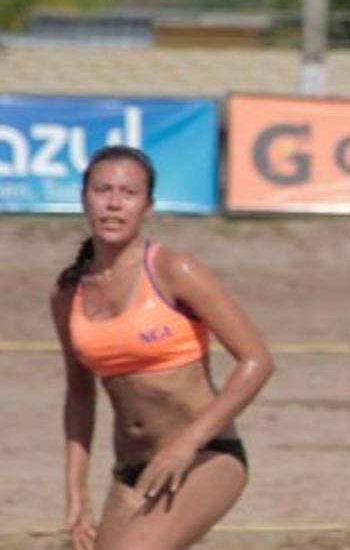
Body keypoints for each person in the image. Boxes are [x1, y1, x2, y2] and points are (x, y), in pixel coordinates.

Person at [50, 145, 275, 550]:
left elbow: (257, 361)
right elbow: (80, 396)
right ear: (83, 197)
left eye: (129, 193)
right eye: (103, 190)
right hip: (132, 470)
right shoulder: (69, 294)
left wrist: (186, 442)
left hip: (205, 455)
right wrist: (75, 491)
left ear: (148, 206)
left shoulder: (174, 270)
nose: (114, 203)